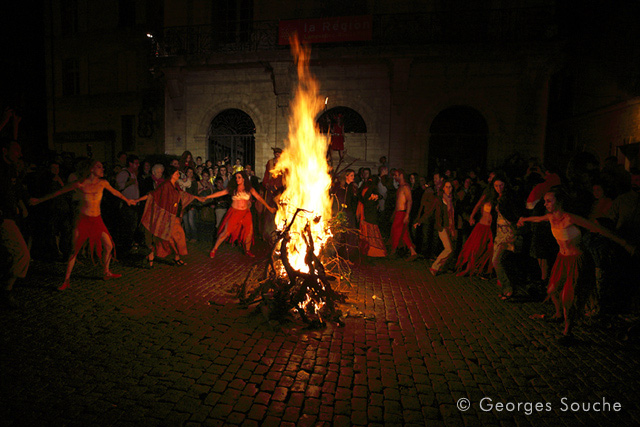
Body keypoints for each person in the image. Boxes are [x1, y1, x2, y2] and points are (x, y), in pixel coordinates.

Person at [517, 187, 634, 343]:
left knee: (568, 296)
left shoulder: (570, 218)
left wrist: (625, 244)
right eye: (545, 201)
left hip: (576, 259)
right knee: (552, 289)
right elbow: (538, 218)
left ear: (559, 202)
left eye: (549, 201)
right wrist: (523, 219)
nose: (545, 204)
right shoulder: (551, 217)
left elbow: (599, 229)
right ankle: (558, 315)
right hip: (561, 259)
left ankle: (568, 332)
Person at [29, 160, 136, 290]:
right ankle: (66, 280)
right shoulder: (80, 183)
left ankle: (106, 272)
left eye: (102, 167)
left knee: (108, 245)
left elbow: (116, 192)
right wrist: (39, 200)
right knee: (74, 250)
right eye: (99, 167)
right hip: (83, 220)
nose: (102, 169)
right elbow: (59, 192)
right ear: (91, 169)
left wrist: (127, 200)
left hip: (97, 220)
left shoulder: (103, 183)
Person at [136, 167, 208, 267]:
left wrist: (196, 198)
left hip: (176, 216)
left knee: (173, 237)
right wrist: (137, 200)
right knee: (171, 237)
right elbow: (153, 195)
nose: (178, 175)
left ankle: (157, 256)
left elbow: (183, 194)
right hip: (168, 217)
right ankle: (155, 255)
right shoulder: (165, 185)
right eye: (176, 173)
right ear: (171, 175)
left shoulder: (175, 185)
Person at [208, 171, 276, 258]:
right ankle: (214, 249)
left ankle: (247, 250)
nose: (237, 179)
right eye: (236, 177)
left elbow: (259, 197)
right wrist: (207, 197)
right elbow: (220, 193)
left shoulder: (249, 189)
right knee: (226, 232)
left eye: (239, 177)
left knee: (249, 233)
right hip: (235, 212)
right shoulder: (233, 188)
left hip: (246, 213)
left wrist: (269, 207)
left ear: (244, 179)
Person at [1, 138, 29, 308]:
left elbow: (14, 191)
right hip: (3, 218)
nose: (20, 154)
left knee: (11, 255)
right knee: (22, 254)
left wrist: (21, 205)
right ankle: (6, 291)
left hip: (9, 217)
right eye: (16, 150)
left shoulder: (9, 169)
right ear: (4, 151)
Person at [426, 180, 459, 275]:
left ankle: (443, 267)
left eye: (450, 187)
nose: (448, 189)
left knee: (451, 249)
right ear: (443, 188)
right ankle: (435, 266)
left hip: (451, 227)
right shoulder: (440, 199)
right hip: (442, 227)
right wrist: (419, 221)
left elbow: (457, 213)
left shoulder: (453, 200)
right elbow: (431, 211)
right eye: (447, 187)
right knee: (448, 248)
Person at [390, 169, 418, 260]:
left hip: (402, 213)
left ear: (401, 175)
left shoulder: (405, 187)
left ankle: (393, 251)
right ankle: (412, 252)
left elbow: (409, 201)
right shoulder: (400, 187)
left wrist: (407, 215)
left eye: (396, 175)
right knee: (404, 234)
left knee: (396, 232)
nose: (394, 177)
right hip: (399, 213)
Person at [357, 172, 387, 258]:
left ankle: (369, 250)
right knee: (370, 232)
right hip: (369, 214)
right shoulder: (369, 189)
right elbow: (366, 201)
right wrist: (373, 199)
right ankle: (371, 251)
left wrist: (376, 198)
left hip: (368, 213)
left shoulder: (366, 188)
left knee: (368, 232)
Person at [331, 169, 359, 261]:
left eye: (353, 175)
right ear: (346, 176)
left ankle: (348, 257)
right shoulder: (340, 188)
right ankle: (335, 255)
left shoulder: (352, 187)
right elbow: (336, 200)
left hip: (350, 214)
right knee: (340, 235)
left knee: (350, 235)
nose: (353, 177)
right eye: (351, 175)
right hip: (341, 213)